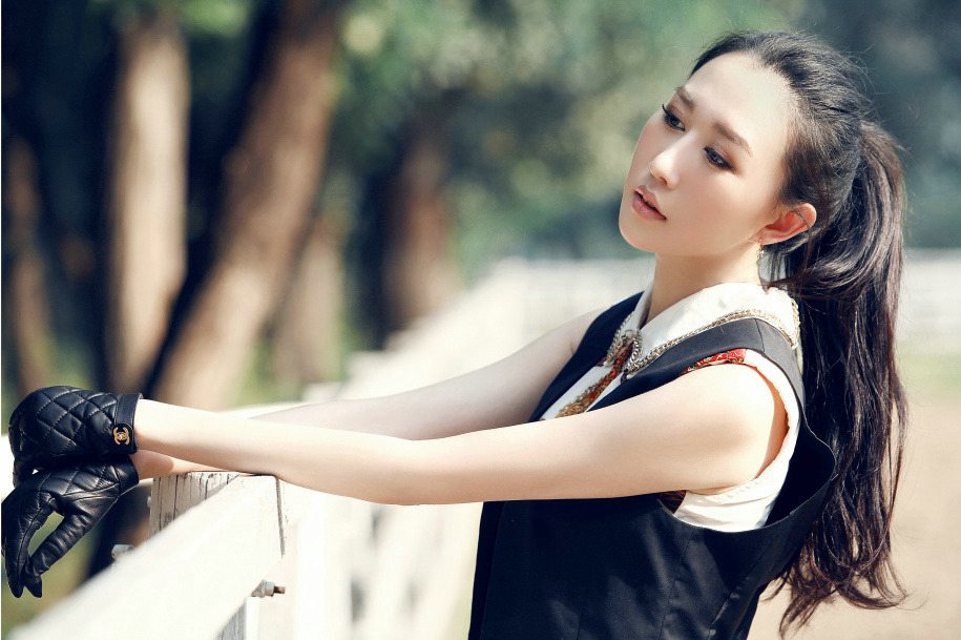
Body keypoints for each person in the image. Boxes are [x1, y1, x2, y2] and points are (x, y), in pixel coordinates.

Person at [2, 30, 907, 639]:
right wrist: (139, 455)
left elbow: (417, 473)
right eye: (673, 116)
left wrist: (131, 418)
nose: (665, 161)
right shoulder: (622, 333)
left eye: (716, 155)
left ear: (781, 221)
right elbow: (389, 422)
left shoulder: (733, 396)